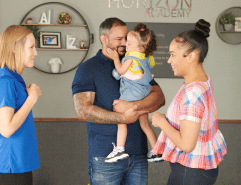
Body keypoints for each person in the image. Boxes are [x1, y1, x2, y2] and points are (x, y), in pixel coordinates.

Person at [72, 17, 165, 185]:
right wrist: (122, 118)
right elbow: (82, 110)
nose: (125, 42)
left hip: (139, 155)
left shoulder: (135, 61)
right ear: (104, 39)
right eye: (119, 39)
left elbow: (159, 97)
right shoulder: (88, 69)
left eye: (127, 38)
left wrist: (133, 106)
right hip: (105, 157)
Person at [151, 19, 227, 184]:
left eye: (173, 55)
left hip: (191, 172)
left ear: (191, 56)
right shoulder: (202, 81)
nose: (169, 60)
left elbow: (187, 144)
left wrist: (161, 122)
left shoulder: (193, 93)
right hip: (199, 169)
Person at [0, 25, 42, 185]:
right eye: (31, 47)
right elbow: (6, 129)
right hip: (10, 168)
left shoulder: (13, 79)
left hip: (17, 166)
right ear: (13, 47)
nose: (35, 53)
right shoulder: (5, 81)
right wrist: (31, 99)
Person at [105, 23, 162, 163]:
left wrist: (115, 59)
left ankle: (119, 148)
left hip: (132, 94)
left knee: (119, 114)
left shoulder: (130, 58)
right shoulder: (146, 58)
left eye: (129, 43)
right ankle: (156, 151)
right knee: (145, 125)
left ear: (142, 47)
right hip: (144, 94)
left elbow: (120, 71)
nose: (126, 45)